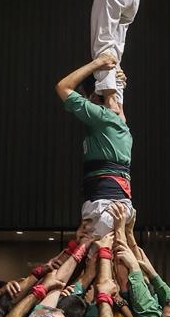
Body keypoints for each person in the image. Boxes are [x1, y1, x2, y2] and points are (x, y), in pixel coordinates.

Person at [56, 52, 133, 237]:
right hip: (118, 204)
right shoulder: (119, 122)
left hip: (105, 204)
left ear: (91, 96)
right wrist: (116, 79)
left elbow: (62, 87)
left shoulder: (102, 117)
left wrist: (97, 63)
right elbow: (115, 104)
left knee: (100, 258)